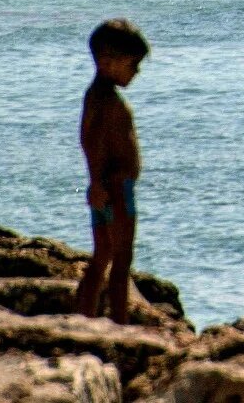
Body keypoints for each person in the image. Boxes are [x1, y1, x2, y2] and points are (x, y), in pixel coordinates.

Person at [75, 19, 148, 324]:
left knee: (103, 256)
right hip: (116, 189)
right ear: (108, 62)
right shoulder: (104, 101)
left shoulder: (100, 97)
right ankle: (119, 321)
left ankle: (85, 316)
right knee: (120, 261)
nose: (137, 72)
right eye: (132, 64)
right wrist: (96, 182)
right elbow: (90, 140)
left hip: (109, 187)